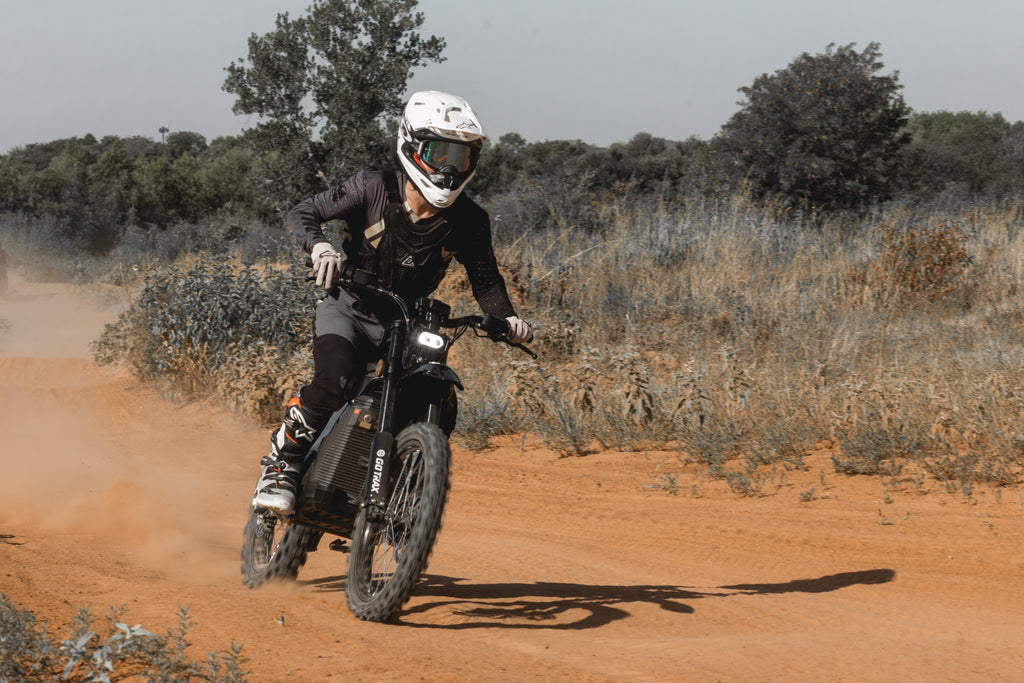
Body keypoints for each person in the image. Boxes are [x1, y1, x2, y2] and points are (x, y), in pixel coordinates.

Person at [254, 91, 533, 515]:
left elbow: (485, 277)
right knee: (336, 378)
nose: (448, 169)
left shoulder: (470, 220)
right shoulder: (373, 187)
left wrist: (507, 318)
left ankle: (402, 490)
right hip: (347, 306)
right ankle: (282, 465)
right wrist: (321, 249)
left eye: (459, 157)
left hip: (407, 321)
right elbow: (303, 212)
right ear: (410, 146)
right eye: (438, 152)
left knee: (436, 397)